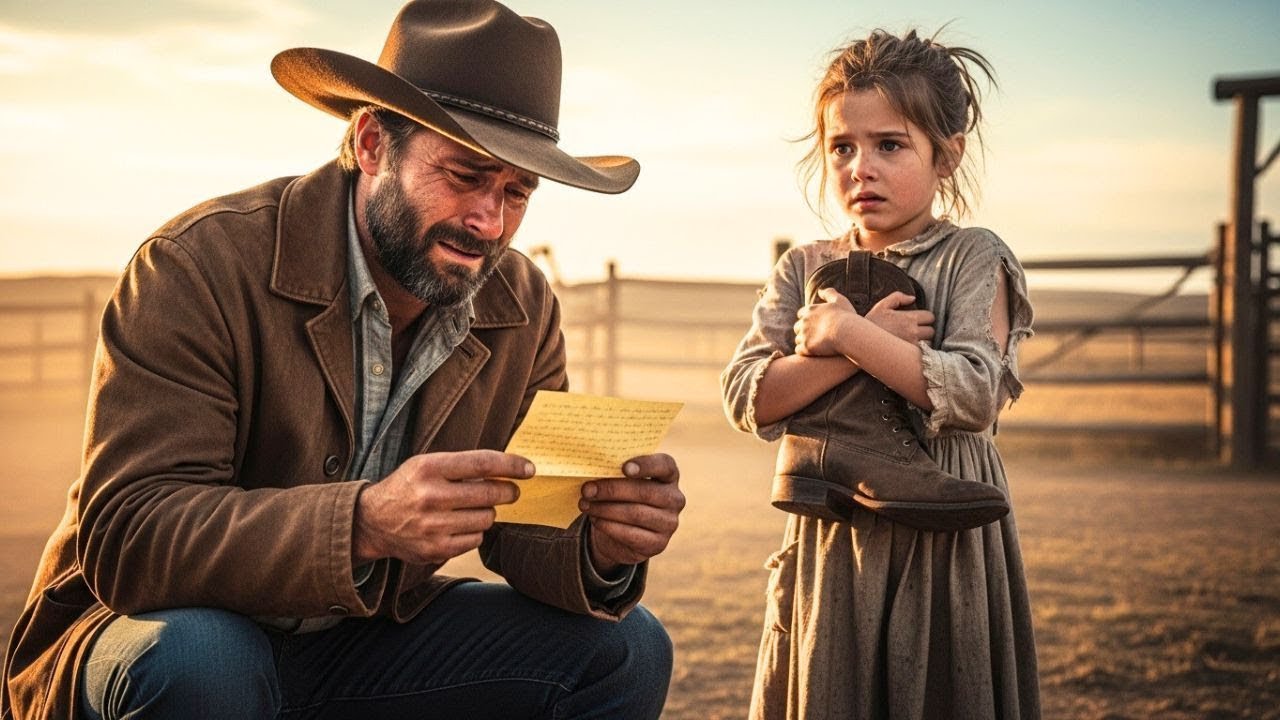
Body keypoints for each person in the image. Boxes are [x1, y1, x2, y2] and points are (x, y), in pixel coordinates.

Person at [1, 2, 685, 718]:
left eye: (516, 192)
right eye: (464, 175)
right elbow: (128, 538)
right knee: (207, 661)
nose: (491, 221)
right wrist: (362, 522)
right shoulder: (196, 265)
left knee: (628, 649)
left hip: (362, 641)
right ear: (369, 144)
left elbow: (526, 527)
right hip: (147, 635)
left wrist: (605, 546)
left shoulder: (523, 304)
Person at [721, 28, 1040, 719]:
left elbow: (975, 394)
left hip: (944, 526)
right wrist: (845, 346)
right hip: (832, 523)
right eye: (842, 147)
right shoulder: (804, 267)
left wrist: (843, 331)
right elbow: (749, 396)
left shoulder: (972, 257)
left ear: (946, 154)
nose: (860, 167)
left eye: (889, 145)